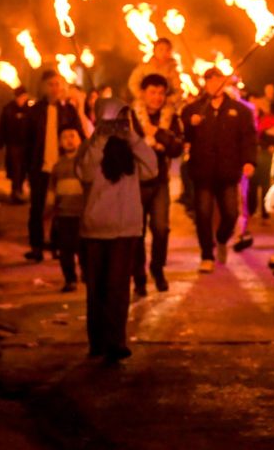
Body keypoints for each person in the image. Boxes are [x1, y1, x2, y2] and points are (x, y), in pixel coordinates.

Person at [76, 98, 158, 363]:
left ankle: (116, 341)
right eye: (116, 119)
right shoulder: (91, 148)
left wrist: (132, 136)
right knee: (97, 289)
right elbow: (85, 174)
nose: (119, 126)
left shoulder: (131, 150)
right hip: (96, 229)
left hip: (125, 230)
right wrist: (101, 137)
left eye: (125, 119)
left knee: (119, 288)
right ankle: (97, 341)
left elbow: (151, 169)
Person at [181, 67, 257, 273]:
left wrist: (249, 161)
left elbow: (249, 138)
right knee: (203, 215)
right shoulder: (193, 109)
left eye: (218, 81)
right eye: (210, 81)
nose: (215, 85)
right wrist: (190, 124)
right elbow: (182, 137)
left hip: (228, 172)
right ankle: (207, 254)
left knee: (231, 214)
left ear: (225, 83)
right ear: (205, 84)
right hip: (202, 172)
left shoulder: (239, 111)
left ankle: (222, 238)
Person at [130, 73, 184, 295]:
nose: (157, 97)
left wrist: (159, 135)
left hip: (160, 181)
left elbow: (178, 147)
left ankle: (157, 268)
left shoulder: (170, 117)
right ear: (143, 93)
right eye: (152, 92)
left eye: (161, 93)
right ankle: (139, 276)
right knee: (137, 231)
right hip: (135, 182)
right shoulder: (130, 117)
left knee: (161, 228)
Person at [24, 69, 84, 262]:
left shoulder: (68, 111)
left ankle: (59, 246)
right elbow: (27, 142)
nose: (55, 88)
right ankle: (36, 247)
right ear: (44, 87)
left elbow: (79, 135)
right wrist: (25, 171)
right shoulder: (34, 112)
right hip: (40, 167)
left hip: (63, 168)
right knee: (38, 208)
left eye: (58, 84)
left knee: (63, 209)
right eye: (51, 84)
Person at [48, 127, 85, 292]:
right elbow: (52, 190)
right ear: (60, 143)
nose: (69, 140)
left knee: (84, 247)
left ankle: (87, 273)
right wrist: (50, 210)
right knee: (65, 250)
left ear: (80, 140)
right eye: (65, 137)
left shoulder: (86, 163)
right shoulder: (57, 166)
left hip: (82, 214)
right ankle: (70, 279)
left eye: (73, 136)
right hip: (63, 214)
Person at [0, 85, 30, 203]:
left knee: (23, 169)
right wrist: (0, 143)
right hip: (13, 144)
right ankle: (15, 191)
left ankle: (19, 189)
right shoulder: (8, 109)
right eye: (20, 97)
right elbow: (2, 127)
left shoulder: (30, 110)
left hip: (27, 145)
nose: (22, 100)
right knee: (15, 168)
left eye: (24, 97)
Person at [127, 38, 183, 105]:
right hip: (144, 104)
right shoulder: (144, 67)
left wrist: (169, 100)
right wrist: (140, 95)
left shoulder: (172, 71)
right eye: (161, 49)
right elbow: (133, 82)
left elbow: (178, 90)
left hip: (163, 106)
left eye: (167, 50)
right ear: (154, 51)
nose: (164, 53)